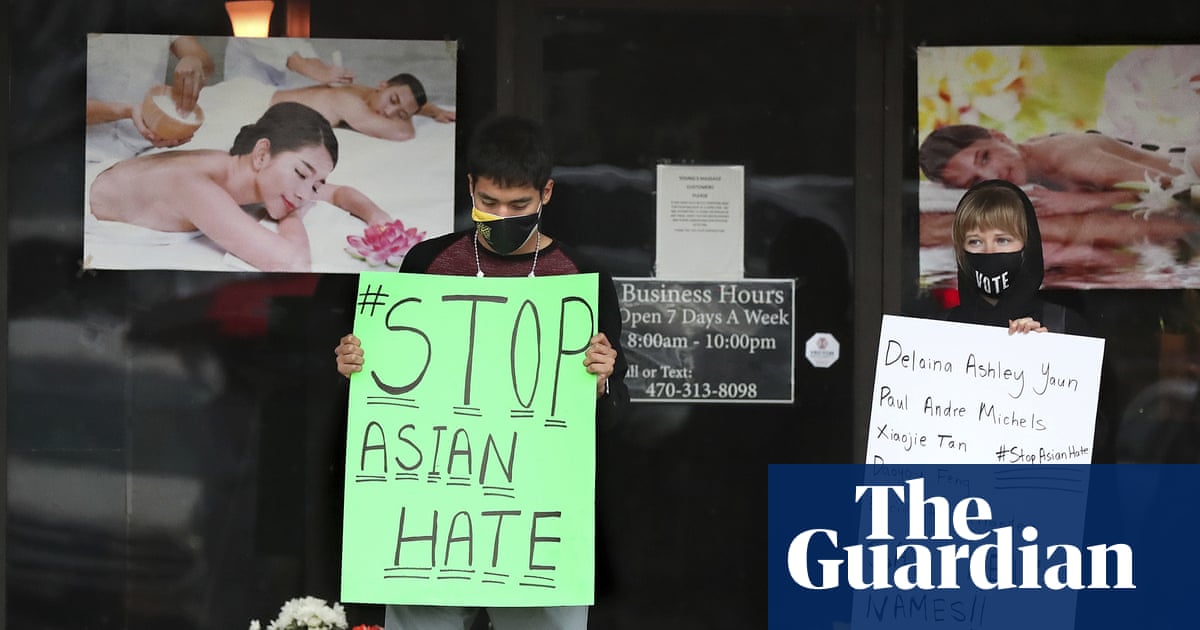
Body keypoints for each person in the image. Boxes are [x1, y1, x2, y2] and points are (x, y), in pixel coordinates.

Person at [333, 114, 630, 630]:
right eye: (488, 202)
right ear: (470, 187)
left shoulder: (582, 282)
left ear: (547, 194)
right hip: (431, 520)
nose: (501, 216)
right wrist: (357, 364)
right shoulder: (427, 263)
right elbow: (392, 383)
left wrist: (602, 381)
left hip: (539, 518)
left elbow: (610, 421)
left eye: (519, 205)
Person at [87, 102, 391, 272]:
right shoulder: (195, 184)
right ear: (261, 153)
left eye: (315, 184)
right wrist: (292, 216)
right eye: (301, 173)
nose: (305, 194)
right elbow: (291, 263)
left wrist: (379, 218)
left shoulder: (242, 171)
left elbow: (338, 192)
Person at [942, 179, 1116, 459]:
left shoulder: (1067, 329)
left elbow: (1098, 443)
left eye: (1002, 240)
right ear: (961, 252)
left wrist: (1046, 367)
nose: (989, 253)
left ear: (1028, 245)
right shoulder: (937, 336)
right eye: (975, 241)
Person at [919, 124, 1200, 216]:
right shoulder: (1031, 157)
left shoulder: (1077, 161)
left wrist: (1081, 202)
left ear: (1000, 136)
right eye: (975, 182)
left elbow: (1180, 191)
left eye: (984, 158)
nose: (992, 177)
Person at [86, 34, 215, 159]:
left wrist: (194, 60)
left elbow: (204, 61)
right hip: (90, 150)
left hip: (152, 145)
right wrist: (125, 111)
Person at [272, 72, 457, 142]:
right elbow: (405, 134)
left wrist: (435, 111)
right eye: (392, 100)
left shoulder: (367, 93)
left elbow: (405, 103)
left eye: (400, 114)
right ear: (382, 85)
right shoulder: (349, 103)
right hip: (257, 106)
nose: (388, 113)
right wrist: (405, 116)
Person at [223, 37, 356, 89]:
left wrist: (334, 76)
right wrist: (323, 75)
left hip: (275, 91)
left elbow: (305, 53)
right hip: (245, 96)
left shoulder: (286, 14)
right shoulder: (251, 12)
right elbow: (290, 59)